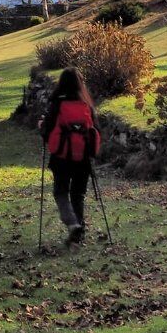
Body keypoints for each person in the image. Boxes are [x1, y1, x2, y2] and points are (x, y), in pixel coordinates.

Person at [38, 67, 101, 245]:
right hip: (84, 159)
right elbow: (96, 130)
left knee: (61, 192)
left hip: (61, 158)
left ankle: (73, 224)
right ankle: (77, 235)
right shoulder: (86, 105)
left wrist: (41, 125)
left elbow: (47, 132)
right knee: (78, 194)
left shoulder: (57, 104)